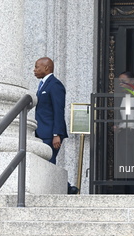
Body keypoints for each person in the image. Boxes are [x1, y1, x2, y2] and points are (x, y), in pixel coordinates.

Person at [34, 57, 78, 194]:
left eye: (37, 67)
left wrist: (56, 134)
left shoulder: (55, 85)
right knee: (47, 163)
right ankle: (68, 188)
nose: (34, 70)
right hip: (41, 131)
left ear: (46, 68)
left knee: (48, 162)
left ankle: (67, 189)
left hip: (50, 133)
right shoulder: (43, 84)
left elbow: (58, 110)